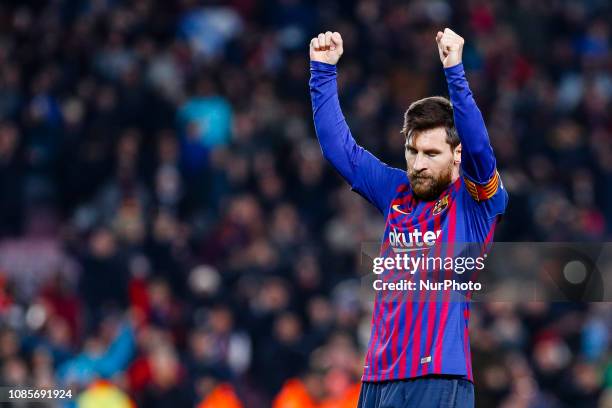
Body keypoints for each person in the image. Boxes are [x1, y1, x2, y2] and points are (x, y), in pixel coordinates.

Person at [309, 28, 508, 407]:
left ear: (457, 155)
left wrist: (455, 71)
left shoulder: (476, 200)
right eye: (412, 151)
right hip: (377, 376)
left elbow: (481, 147)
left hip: (437, 377)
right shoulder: (396, 191)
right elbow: (341, 151)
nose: (418, 164)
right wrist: (322, 72)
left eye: (431, 153)